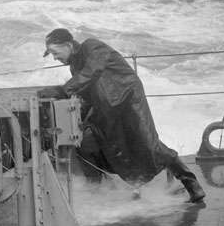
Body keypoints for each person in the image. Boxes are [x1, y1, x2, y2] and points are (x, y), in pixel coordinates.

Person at [39, 28, 206, 203]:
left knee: (149, 143)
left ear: (67, 45)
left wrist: (62, 90)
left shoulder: (92, 47)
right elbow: (85, 90)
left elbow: (92, 72)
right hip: (106, 107)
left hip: (128, 101)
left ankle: (191, 183)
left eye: (55, 53)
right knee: (90, 141)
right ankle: (100, 191)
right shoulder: (75, 66)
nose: (55, 58)